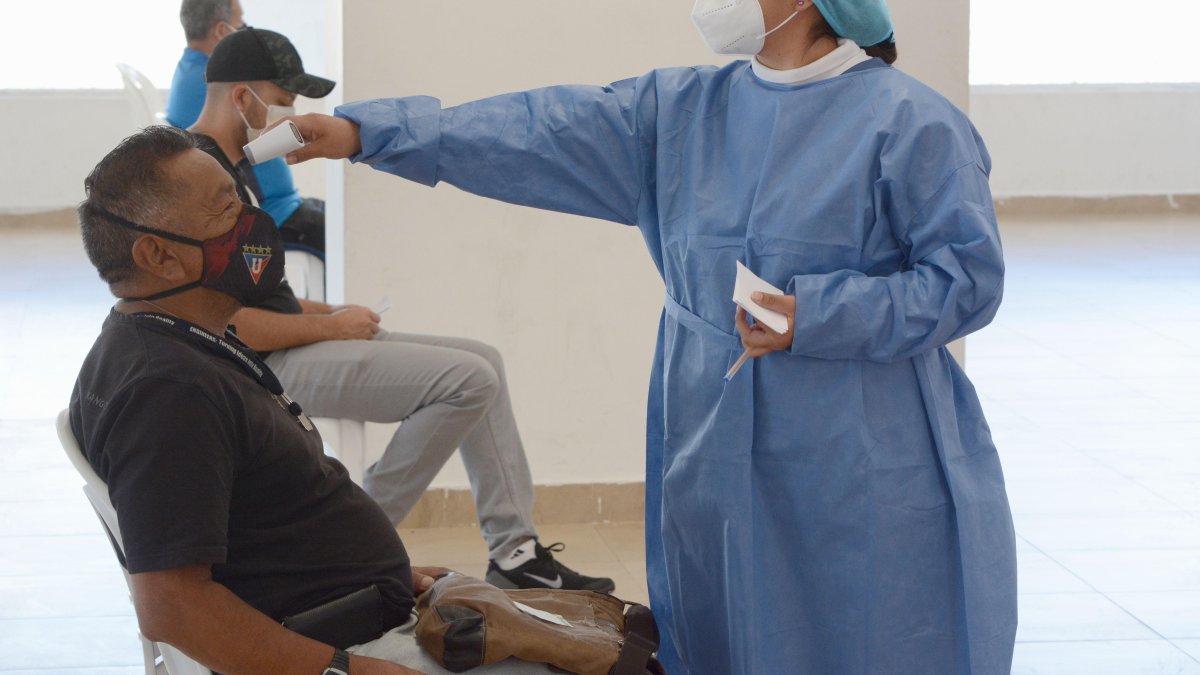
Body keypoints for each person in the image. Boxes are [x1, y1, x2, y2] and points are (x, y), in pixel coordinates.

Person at [282, 0, 1020, 672]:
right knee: (717, 620)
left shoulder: (912, 122)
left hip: (855, 450)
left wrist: (818, 314)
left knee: (852, 624)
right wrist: (365, 134)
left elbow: (967, 278)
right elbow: (536, 131)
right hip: (710, 436)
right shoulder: (681, 112)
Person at [71, 125, 555, 674]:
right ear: (158, 255)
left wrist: (388, 576)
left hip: (364, 612)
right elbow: (174, 608)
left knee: (607, 639)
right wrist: (348, 671)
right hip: (356, 648)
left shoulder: (182, 341)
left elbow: (258, 524)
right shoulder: (168, 392)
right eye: (224, 208)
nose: (250, 222)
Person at [188, 27, 614, 594]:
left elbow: (262, 292)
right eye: (284, 102)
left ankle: (515, 553)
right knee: (466, 381)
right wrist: (329, 325)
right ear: (243, 98)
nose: (287, 118)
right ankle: (351, 537)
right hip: (263, 369)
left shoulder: (238, 170)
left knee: (482, 359)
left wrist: (335, 311)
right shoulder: (202, 181)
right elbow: (227, 323)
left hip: (293, 340)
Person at [167, 0, 325, 256]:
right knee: (342, 236)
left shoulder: (191, 70)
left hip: (277, 206)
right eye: (241, 23)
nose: (245, 29)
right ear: (221, 30)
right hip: (271, 212)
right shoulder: (211, 84)